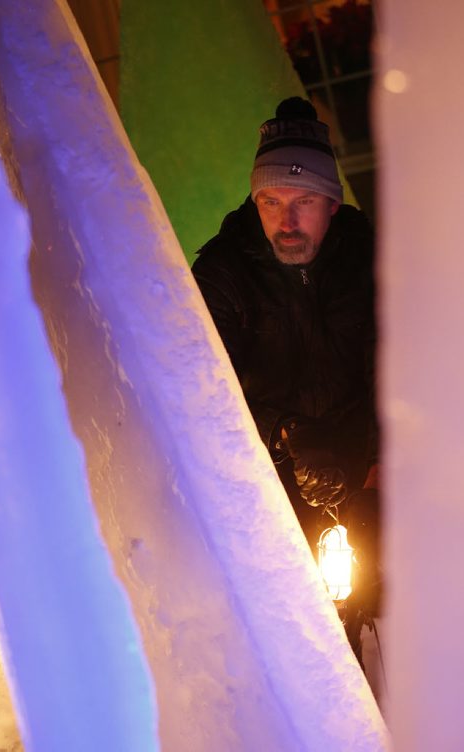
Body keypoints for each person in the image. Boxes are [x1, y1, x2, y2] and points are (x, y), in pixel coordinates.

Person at [192, 97, 381, 661]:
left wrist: (368, 457)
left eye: (303, 201)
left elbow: (406, 363)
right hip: (271, 477)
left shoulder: (373, 257)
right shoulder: (224, 272)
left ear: (332, 203)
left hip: (368, 463)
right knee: (301, 629)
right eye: (271, 201)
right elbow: (205, 386)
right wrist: (286, 435)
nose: (286, 220)